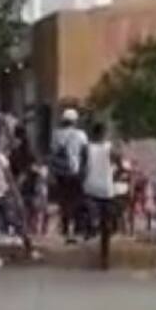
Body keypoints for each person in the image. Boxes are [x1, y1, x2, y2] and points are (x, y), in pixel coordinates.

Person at [82, 121, 117, 270]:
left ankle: (92, 224)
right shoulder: (110, 148)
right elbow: (118, 162)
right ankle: (105, 257)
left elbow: (82, 166)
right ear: (104, 133)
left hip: (90, 187)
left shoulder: (87, 148)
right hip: (106, 189)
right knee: (107, 226)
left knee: (92, 215)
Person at [50, 107, 89, 243]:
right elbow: (85, 154)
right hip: (75, 172)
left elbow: (53, 152)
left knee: (64, 200)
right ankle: (76, 228)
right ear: (75, 121)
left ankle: (65, 227)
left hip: (60, 172)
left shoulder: (56, 134)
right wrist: (84, 171)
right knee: (77, 200)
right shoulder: (81, 135)